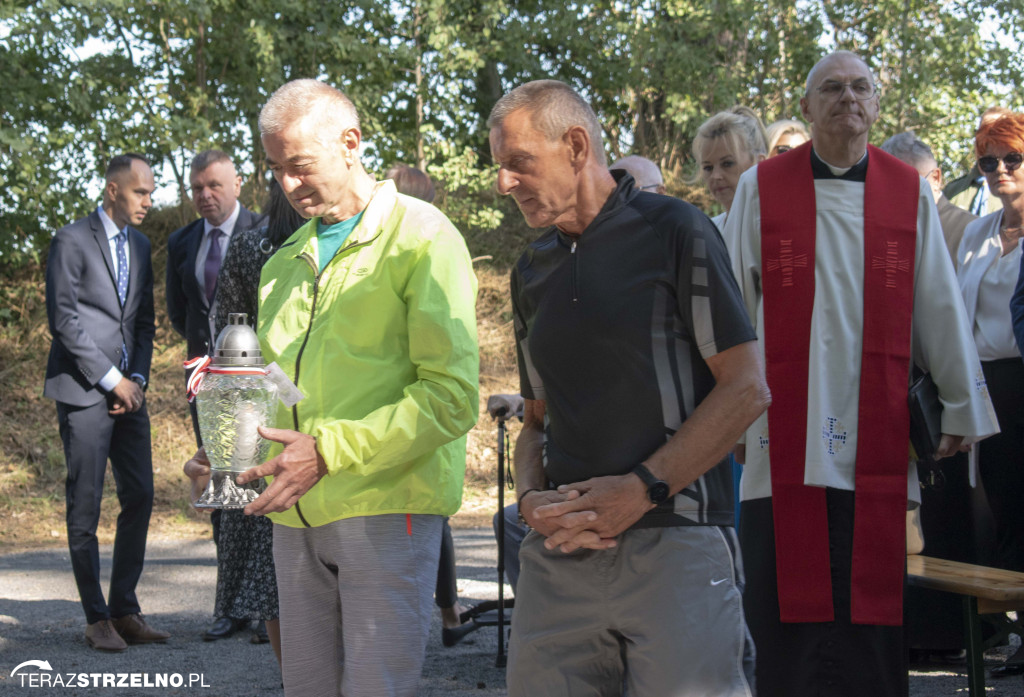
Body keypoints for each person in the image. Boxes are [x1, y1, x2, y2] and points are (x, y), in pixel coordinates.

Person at [725, 51, 999, 697]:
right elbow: (735, 303)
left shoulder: (907, 189)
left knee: (868, 593)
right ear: (806, 106)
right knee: (780, 591)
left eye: (860, 88)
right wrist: (727, 413)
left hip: (874, 421)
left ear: (876, 103)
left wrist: (959, 406)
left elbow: (938, 302)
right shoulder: (759, 188)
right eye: (831, 88)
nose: (848, 98)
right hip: (779, 426)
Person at [488, 79, 769, 697]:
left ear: (577, 145)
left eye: (518, 164)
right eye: (498, 167)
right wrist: (533, 501)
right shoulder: (531, 268)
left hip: (679, 546)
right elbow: (536, 423)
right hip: (559, 554)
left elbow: (746, 390)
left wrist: (641, 489)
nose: (502, 183)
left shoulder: (677, 229)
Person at [235, 79, 479, 697]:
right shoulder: (279, 262)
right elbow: (282, 389)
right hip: (296, 517)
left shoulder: (423, 236)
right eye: (275, 169)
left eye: (300, 166)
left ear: (351, 143)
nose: (288, 185)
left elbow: (451, 398)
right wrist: (232, 453)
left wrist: (327, 451)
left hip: (387, 506)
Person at [44, 154, 168, 652]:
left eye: (152, 193)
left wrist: (134, 378)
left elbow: (143, 324)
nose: (149, 201)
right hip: (82, 391)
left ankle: (125, 609)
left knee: (139, 495)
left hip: (128, 393)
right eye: (141, 192)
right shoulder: (70, 240)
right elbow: (64, 319)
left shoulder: (140, 246)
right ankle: (97, 618)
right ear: (114, 190)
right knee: (86, 506)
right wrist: (112, 380)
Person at [181, 179, 305, 661]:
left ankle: (292, 677)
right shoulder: (288, 244)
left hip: (253, 406)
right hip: (309, 407)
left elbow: (228, 332)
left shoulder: (251, 244)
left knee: (264, 551)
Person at [165, 149, 263, 642]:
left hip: (257, 376)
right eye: (197, 187)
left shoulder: (265, 233)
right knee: (217, 482)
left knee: (258, 480)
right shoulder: (182, 241)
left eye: (215, 186)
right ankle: (229, 605)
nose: (205, 195)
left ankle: (269, 604)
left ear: (238, 184)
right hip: (203, 373)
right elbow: (178, 311)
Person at [384, 162, 476, 646]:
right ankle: (447, 613)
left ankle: (444, 613)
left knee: (428, 522)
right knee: (431, 524)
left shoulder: (429, 245)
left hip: (417, 423)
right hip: (406, 430)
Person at [956, 113, 1024, 674]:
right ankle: (1019, 635)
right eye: (988, 162)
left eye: (1012, 159)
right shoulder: (978, 232)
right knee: (1003, 510)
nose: (1000, 170)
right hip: (987, 385)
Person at [882, 131, 977, 264]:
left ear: (936, 178)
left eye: (909, 184)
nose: (899, 196)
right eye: (890, 187)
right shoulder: (883, 229)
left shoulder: (972, 231)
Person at [693, 105, 768, 232]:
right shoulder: (708, 230)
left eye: (727, 163)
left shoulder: (774, 229)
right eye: (708, 167)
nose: (715, 176)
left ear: (759, 163)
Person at [946, 106, 1011, 216]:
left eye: (996, 133)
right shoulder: (952, 191)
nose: (987, 140)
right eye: (982, 132)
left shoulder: (1017, 193)